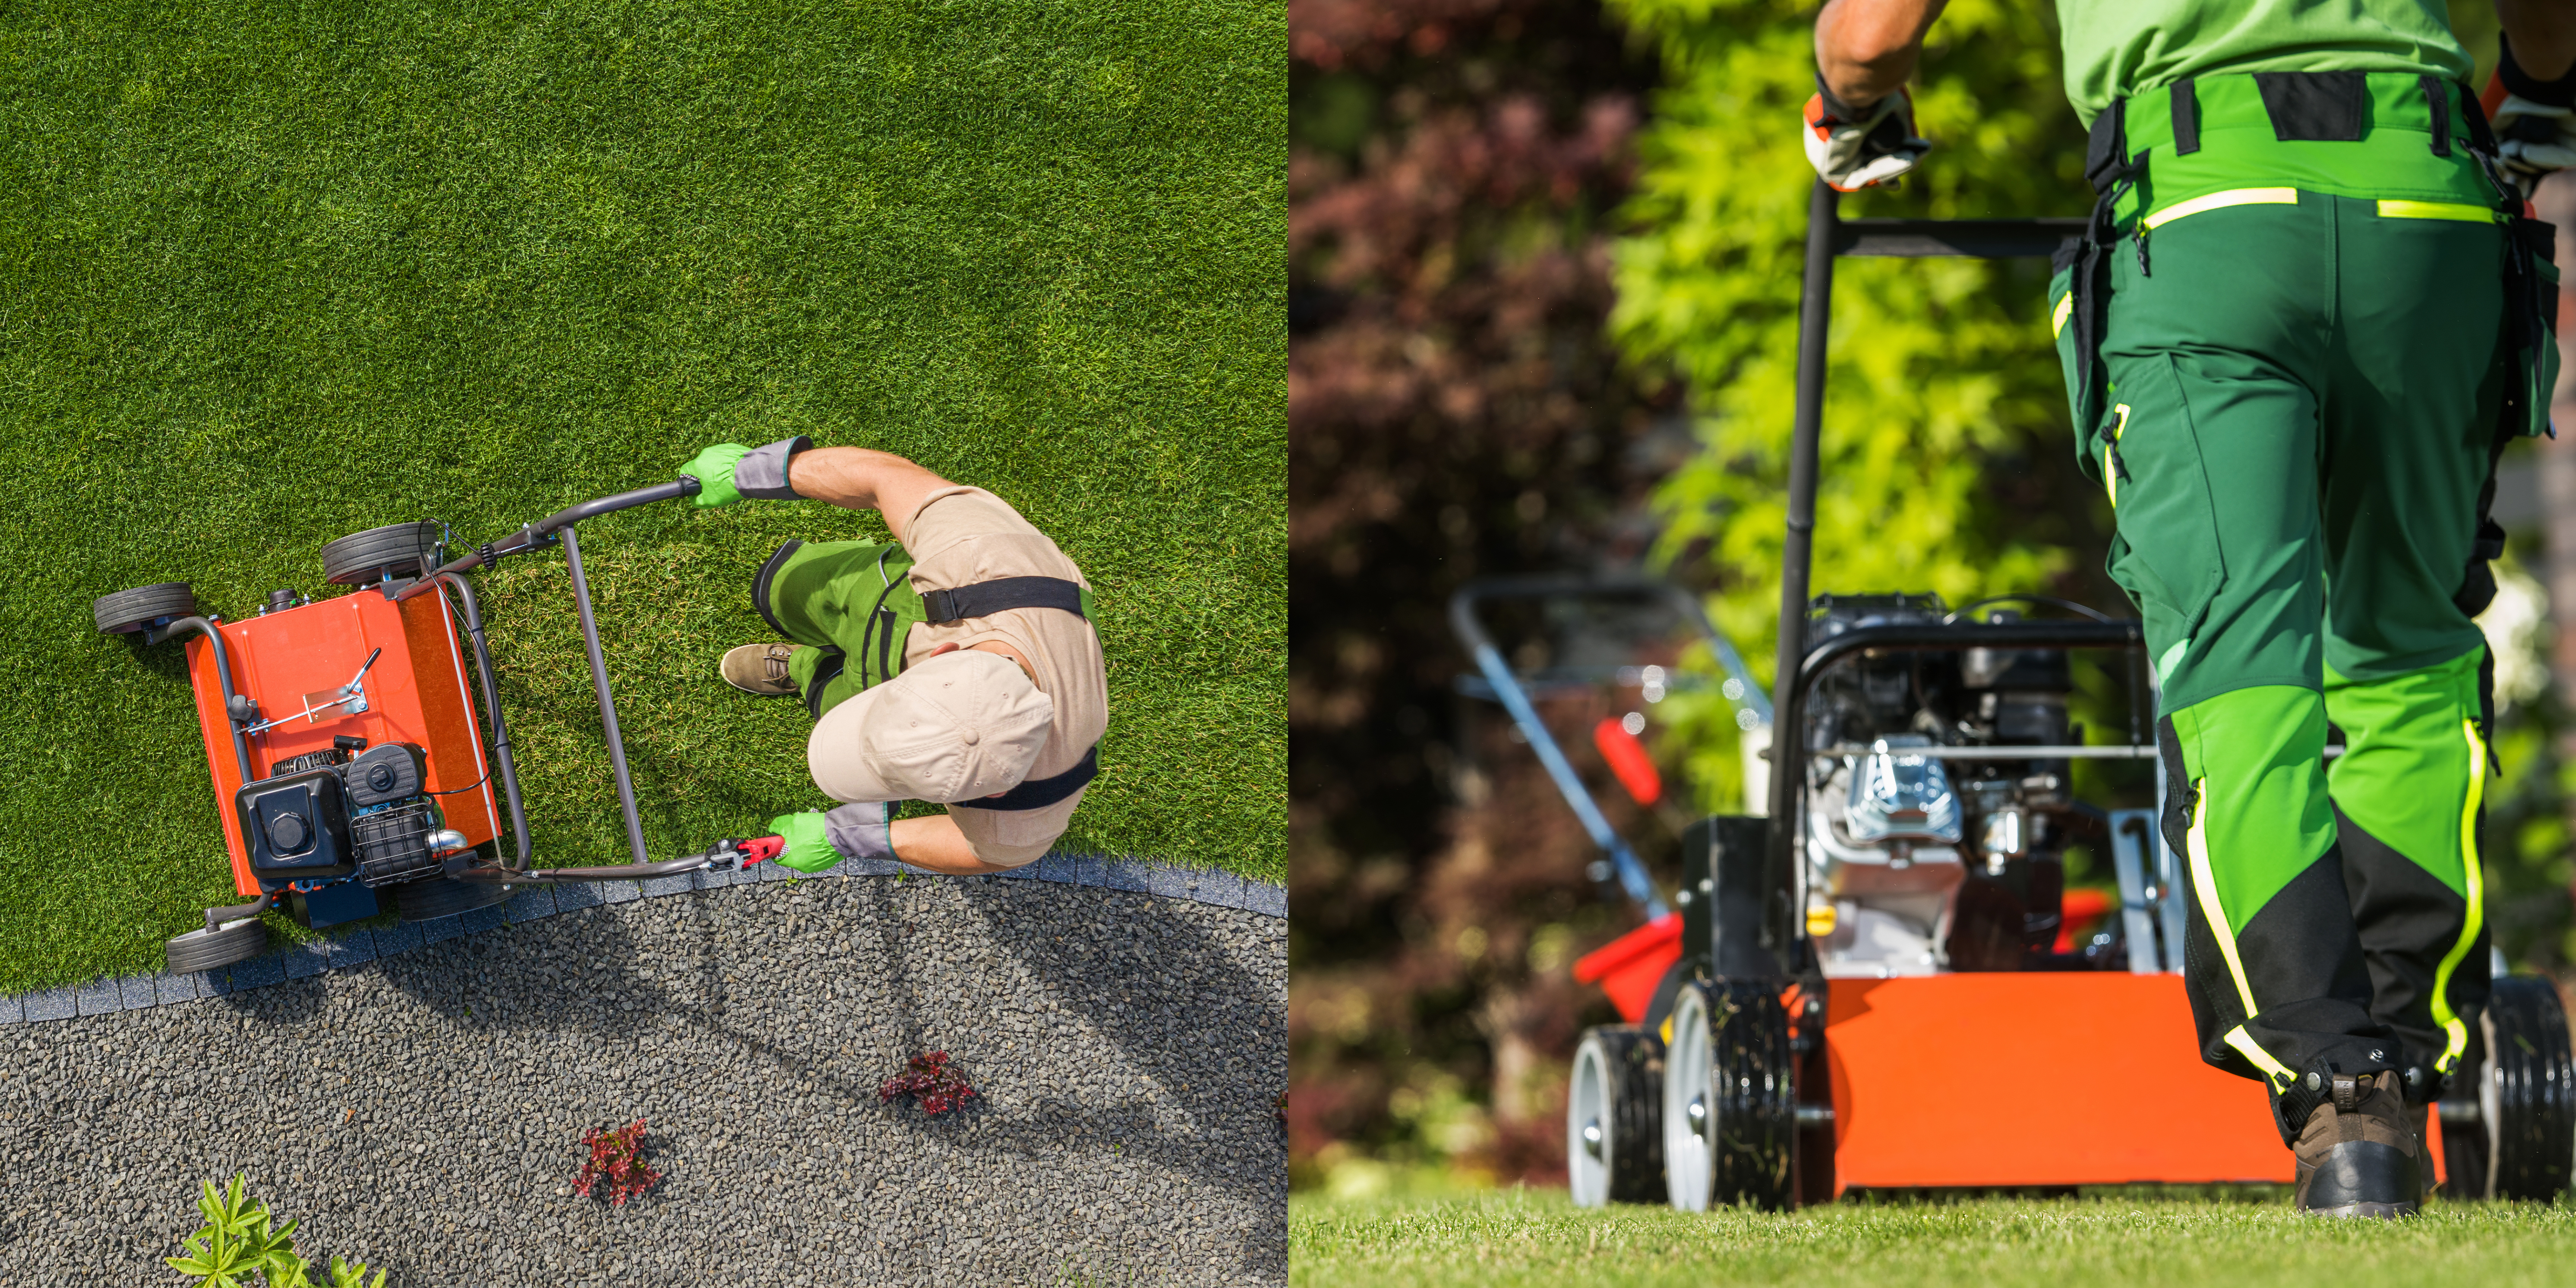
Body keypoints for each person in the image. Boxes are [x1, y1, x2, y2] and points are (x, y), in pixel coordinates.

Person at [1808, 0, 2576, 1217]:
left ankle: (2337, 1090)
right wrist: (2539, 95)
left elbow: (1871, 34)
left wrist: (1847, 109)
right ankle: (2405, 1061)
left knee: (2239, 654)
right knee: (2408, 649)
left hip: (2207, 223)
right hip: (2427, 219)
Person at [676, 437, 1106, 876]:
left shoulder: (1032, 807)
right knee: (782, 588)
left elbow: (986, 854)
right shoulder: (985, 557)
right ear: (943, 652)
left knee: (829, 694)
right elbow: (886, 478)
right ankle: (806, 621)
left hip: (915, 640)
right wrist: (756, 472)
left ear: (996, 792)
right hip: (905, 600)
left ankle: (805, 668)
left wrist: (848, 837)